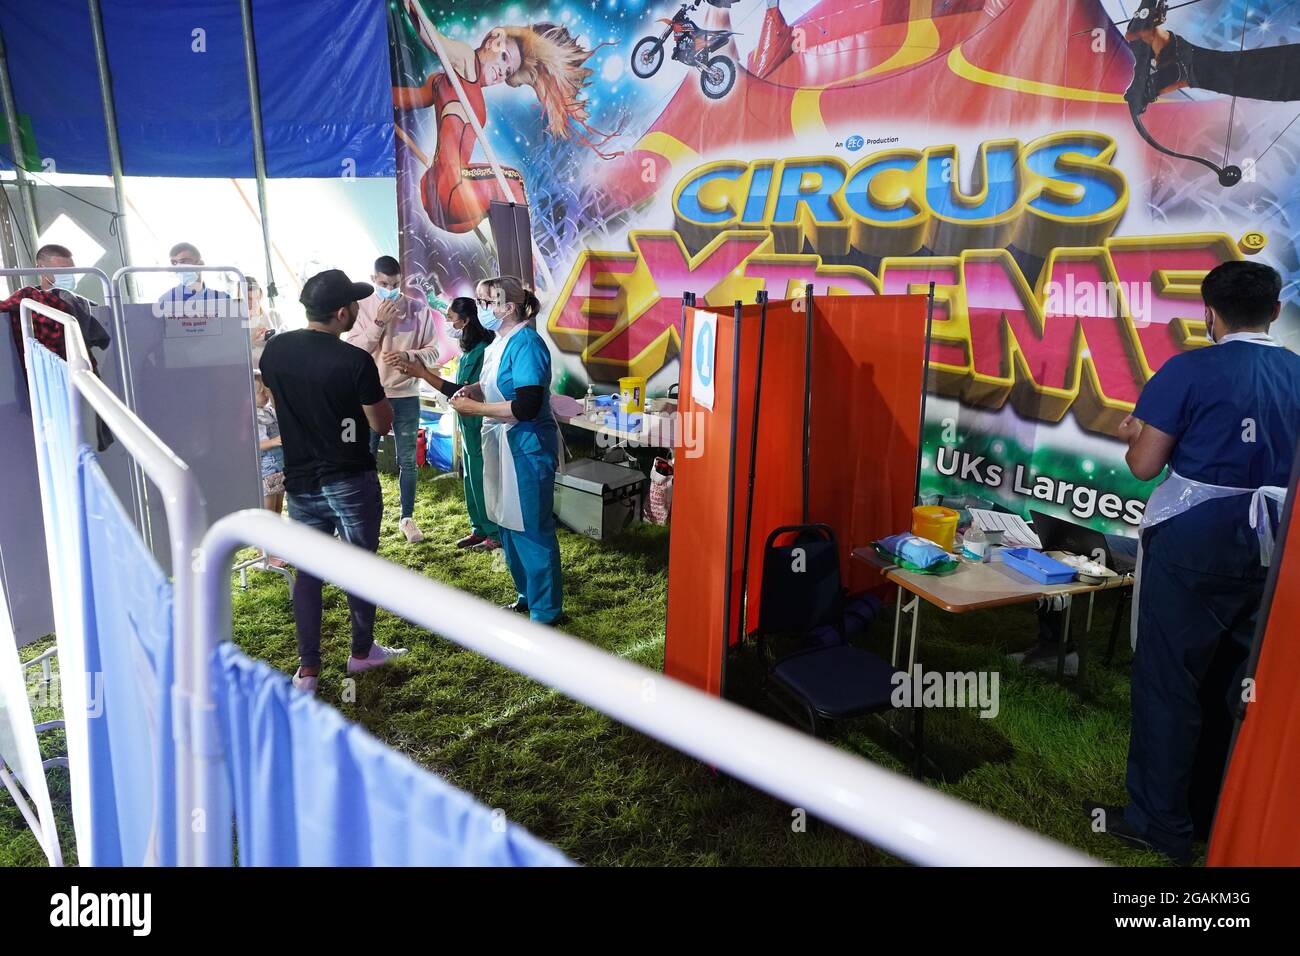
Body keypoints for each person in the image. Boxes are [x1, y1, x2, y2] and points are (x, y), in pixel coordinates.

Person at [1087, 261, 1300, 864]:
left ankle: (1160, 821)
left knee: (1169, 680)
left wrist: (1134, 430)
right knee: (1239, 681)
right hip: (1275, 547)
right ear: (1276, 311)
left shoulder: (1187, 368)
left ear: (1210, 313)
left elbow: (1144, 466)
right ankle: (1215, 806)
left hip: (1194, 544)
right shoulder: (1297, 372)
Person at [258, 269, 408, 693]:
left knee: (308, 571)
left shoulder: (275, 351)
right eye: (356, 306)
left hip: (301, 480)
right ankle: (362, 653)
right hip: (349, 477)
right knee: (359, 565)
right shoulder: (354, 360)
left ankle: (308, 670)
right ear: (342, 312)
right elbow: (381, 420)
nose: (359, 311)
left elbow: (281, 396)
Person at [394, 0, 619, 234]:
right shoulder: (465, 61)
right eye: (504, 57)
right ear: (496, 38)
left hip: (438, 196)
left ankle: (512, 255)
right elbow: (433, 39)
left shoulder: (440, 82)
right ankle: (525, 265)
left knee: (500, 191)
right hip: (450, 192)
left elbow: (404, 99)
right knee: (513, 182)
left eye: (508, 71)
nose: (503, 71)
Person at [449, 276, 563, 624]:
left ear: (507, 307)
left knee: (530, 526)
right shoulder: (499, 342)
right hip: (500, 443)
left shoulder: (526, 342)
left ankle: (546, 611)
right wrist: (473, 391)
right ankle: (526, 595)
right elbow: (494, 387)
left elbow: (527, 404)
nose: (480, 308)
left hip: (526, 446)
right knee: (506, 522)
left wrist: (477, 410)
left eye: (485, 302)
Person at [343, 255, 441, 543]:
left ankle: (407, 518)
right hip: (369, 396)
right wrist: (378, 323)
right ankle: (363, 515)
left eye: (395, 284)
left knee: (408, 460)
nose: (390, 289)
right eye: (384, 284)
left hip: (407, 394)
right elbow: (352, 350)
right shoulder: (360, 308)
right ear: (374, 279)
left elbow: (434, 351)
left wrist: (409, 356)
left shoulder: (417, 309)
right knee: (365, 458)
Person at [393, 296, 499, 551]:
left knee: (483, 477)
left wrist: (424, 374)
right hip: (467, 421)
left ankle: (494, 533)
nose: (449, 322)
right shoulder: (470, 348)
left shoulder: (484, 348)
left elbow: (466, 390)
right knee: (470, 475)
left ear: (466, 319)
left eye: (451, 318)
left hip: (479, 421)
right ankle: (479, 528)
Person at [2, 243, 110, 368]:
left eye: (72, 271)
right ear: (41, 269)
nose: (69, 276)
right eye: (62, 271)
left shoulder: (79, 304)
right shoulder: (28, 301)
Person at [253, 371, 287, 568]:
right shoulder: (252, 417)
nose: (266, 396)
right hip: (266, 469)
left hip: (279, 467)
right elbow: (254, 444)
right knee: (266, 512)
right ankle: (263, 553)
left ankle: (274, 546)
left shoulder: (268, 411)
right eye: (262, 393)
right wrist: (274, 441)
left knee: (276, 509)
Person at [156, 242, 231, 315]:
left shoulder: (223, 299)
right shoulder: (165, 301)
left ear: (200, 265)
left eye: (183, 262)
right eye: (175, 264)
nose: (179, 268)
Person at [244, 277, 282, 365]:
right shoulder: (235, 323)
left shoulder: (274, 315)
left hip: (274, 367)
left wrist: (273, 338)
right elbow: (232, 353)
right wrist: (251, 339)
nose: (254, 303)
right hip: (251, 370)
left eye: (257, 297)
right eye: (249, 299)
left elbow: (287, 342)